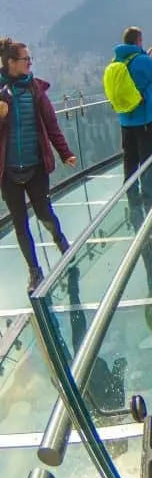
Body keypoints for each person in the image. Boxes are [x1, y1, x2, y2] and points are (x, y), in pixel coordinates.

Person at [0, 37, 77, 290]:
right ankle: (34, 271)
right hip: (8, 172)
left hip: (35, 168)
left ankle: (61, 241)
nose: (30, 62)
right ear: (11, 62)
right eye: (26, 59)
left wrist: (65, 153)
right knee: (20, 223)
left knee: (44, 213)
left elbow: (51, 126)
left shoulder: (35, 91)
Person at [114, 26, 152, 208]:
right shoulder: (142, 60)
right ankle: (150, 197)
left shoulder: (116, 61)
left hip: (125, 119)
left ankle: (131, 194)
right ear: (138, 40)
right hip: (144, 119)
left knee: (130, 158)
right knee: (148, 158)